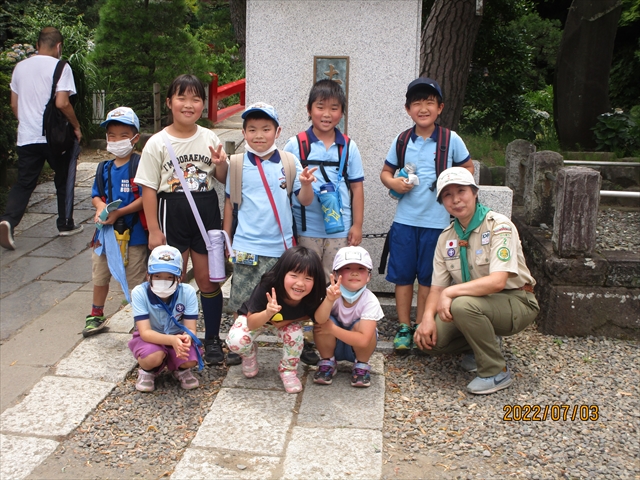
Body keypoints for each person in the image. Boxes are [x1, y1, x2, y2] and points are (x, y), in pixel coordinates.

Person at [413, 167, 540, 395]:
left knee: (461, 304)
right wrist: (425, 320)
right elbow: (437, 288)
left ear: (474, 193)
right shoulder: (446, 238)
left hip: (516, 300)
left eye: (461, 191)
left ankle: (495, 371)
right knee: (430, 342)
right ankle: (484, 343)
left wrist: (451, 294)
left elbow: (498, 282)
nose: (456, 199)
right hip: (479, 304)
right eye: (447, 195)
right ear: (442, 201)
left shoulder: (498, 226)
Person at [134, 74, 231, 366]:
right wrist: (154, 230)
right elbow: (148, 188)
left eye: (196, 99)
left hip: (205, 213)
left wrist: (221, 163)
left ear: (203, 103)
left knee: (208, 279)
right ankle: (168, 338)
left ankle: (211, 339)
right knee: (171, 277)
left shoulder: (209, 137)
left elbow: (222, 179)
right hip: (171, 212)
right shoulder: (157, 143)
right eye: (182, 98)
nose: (189, 105)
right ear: (169, 102)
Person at [379, 77, 474, 353]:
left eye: (429, 102)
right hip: (405, 221)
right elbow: (385, 172)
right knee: (403, 277)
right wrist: (394, 183)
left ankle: (423, 324)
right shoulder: (402, 140)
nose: (423, 108)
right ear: (408, 109)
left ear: (440, 107)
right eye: (417, 103)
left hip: (439, 224)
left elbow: (468, 168)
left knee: (430, 279)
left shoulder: (450, 139)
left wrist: (450, 181)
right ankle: (404, 327)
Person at [222, 102, 317, 360]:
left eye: (266, 128)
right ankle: (244, 347)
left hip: (282, 249)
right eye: (252, 129)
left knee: (287, 301)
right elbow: (230, 204)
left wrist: (307, 184)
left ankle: (294, 345)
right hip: (246, 247)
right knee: (242, 302)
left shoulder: (288, 161)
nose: (259, 135)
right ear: (243, 133)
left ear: (278, 131)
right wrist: (226, 239)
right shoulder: (237, 163)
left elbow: (304, 200)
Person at [283, 79, 365, 366]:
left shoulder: (348, 146)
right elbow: (301, 198)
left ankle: (331, 335)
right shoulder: (295, 144)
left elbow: (357, 188)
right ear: (309, 110)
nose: (327, 113)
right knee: (304, 282)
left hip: (339, 229)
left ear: (342, 112)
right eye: (320, 107)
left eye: (334, 107)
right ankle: (304, 337)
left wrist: (357, 225)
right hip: (306, 228)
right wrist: (306, 184)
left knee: (334, 282)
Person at [1, 27, 83, 250]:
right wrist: (76, 127)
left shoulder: (19, 67)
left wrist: (27, 122)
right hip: (54, 138)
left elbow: (14, 104)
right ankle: (65, 223)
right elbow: (62, 103)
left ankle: (8, 220)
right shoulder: (61, 66)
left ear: (37, 46)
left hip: (27, 137)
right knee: (63, 177)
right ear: (58, 46)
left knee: (24, 182)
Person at [83, 107, 148, 337]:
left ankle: (141, 320)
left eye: (123, 135)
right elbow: (96, 195)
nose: (117, 140)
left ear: (135, 138)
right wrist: (101, 207)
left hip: (135, 235)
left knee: (136, 279)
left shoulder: (140, 165)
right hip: (105, 235)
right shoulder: (104, 168)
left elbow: (146, 199)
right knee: (100, 275)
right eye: (112, 135)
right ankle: (96, 314)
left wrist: (120, 213)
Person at [225, 246, 326, 393]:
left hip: (286, 323)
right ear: (283, 273)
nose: (300, 283)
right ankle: (249, 354)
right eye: (294, 275)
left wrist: (284, 323)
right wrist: (267, 313)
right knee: (235, 341)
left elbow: (315, 316)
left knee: (295, 335)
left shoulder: (313, 293)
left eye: (308, 278)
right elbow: (251, 322)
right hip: (258, 318)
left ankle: (288, 370)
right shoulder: (268, 284)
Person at [129, 245, 201, 392]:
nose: (163, 281)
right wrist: (171, 341)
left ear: (179, 277)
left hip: (177, 335)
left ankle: (180, 368)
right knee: (153, 357)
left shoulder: (188, 292)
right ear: (148, 275)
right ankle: (147, 371)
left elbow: (190, 328)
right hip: (150, 338)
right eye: (157, 276)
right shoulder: (139, 292)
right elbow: (145, 332)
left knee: (190, 360)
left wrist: (186, 339)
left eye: (169, 277)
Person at [313, 246, 384, 388]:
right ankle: (328, 361)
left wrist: (332, 329)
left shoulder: (370, 300)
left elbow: (364, 340)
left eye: (361, 269)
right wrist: (329, 300)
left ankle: (362, 364)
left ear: (369, 275)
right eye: (347, 268)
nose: (354, 273)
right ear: (335, 273)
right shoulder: (330, 292)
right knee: (323, 321)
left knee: (365, 329)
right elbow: (319, 319)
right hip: (333, 345)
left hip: (357, 347)